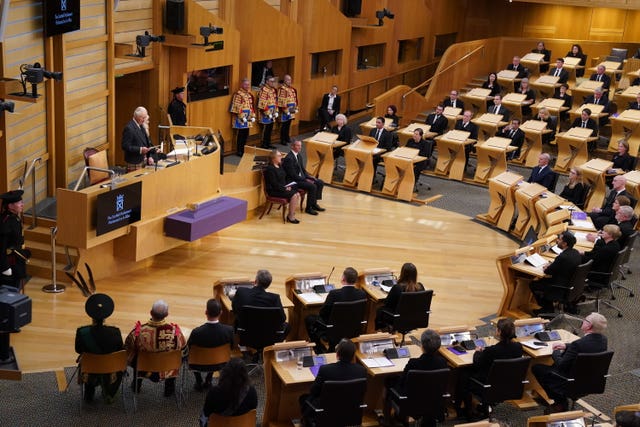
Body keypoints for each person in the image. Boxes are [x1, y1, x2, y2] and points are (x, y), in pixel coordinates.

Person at [532, 312, 608, 414]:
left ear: (589, 325)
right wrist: (566, 346)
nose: (583, 321)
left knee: (537, 368)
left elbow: (561, 365)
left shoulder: (578, 344)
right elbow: (585, 346)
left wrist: (555, 351)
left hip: (569, 381)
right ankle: (562, 398)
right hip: (589, 380)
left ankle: (560, 402)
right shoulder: (603, 340)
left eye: (585, 320)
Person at [383, 329, 447, 426]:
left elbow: (402, 382)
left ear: (422, 345)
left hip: (412, 403)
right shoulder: (443, 362)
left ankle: (389, 420)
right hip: (434, 402)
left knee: (389, 381)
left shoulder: (413, 363)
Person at [461, 318, 523, 419]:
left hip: (487, 384)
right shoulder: (518, 347)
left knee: (464, 373)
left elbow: (477, 363)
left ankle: (468, 409)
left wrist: (477, 351)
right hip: (508, 383)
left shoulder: (492, 351)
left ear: (499, 332)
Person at [124, 300, 187, 396]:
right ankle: (169, 388)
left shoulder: (137, 332)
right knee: (175, 358)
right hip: (167, 368)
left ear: (150, 312)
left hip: (145, 367)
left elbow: (127, 350)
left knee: (136, 356)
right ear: (167, 314)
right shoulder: (175, 333)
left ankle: (137, 385)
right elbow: (184, 351)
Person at [298, 339, 367, 426]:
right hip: (349, 412)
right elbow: (362, 392)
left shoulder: (325, 370)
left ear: (337, 354)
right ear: (353, 355)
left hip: (326, 412)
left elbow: (313, 391)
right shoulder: (361, 371)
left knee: (303, 398)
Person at [75, 293, 124, 402]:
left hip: (90, 370)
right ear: (106, 316)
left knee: (89, 362)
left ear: (91, 315)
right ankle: (109, 393)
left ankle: (88, 396)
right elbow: (120, 349)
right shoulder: (115, 332)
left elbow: (78, 350)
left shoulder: (82, 332)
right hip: (110, 369)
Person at [305, 267, 366, 351]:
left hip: (333, 330)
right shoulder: (362, 294)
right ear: (355, 280)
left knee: (309, 319)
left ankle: (318, 348)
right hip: (353, 329)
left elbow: (323, 313)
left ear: (343, 279)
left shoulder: (334, 294)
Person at [529, 231, 582, 314]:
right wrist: (553, 265)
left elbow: (547, 271)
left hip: (559, 286)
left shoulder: (563, 257)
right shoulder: (575, 253)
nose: (557, 240)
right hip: (569, 285)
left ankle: (547, 309)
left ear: (564, 243)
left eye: (559, 239)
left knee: (534, 284)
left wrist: (548, 266)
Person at [187, 299, 234, 391]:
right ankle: (208, 379)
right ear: (221, 313)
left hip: (197, 364)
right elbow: (231, 348)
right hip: (220, 363)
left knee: (195, 356)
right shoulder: (229, 330)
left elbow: (189, 350)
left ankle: (198, 380)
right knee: (214, 356)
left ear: (206, 312)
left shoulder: (196, 332)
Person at [231, 269, 289, 340]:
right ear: (268, 285)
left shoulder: (241, 291)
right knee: (287, 326)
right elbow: (282, 318)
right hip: (268, 336)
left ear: (255, 281)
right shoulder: (274, 298)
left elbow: (234, 309)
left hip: (245, 333)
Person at [199, 357, 258, 427]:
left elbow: (206, 413)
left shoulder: (214, 393)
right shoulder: (251, 391)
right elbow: (253, 408)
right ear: (245, 375)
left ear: (224, 373)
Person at [375, 262, 425, 331]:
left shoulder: (397, 288)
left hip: (397, 318)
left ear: (402, 274)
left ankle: (383, 330)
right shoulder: (420, 287)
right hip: (413, 318)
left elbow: (387, 303)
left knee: (379, 308)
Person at [282, 140, 325, 216]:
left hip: (301, 178)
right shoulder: (289, 158)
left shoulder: (298, 155)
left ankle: (314, 204)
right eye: (298, 146)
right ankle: (308, 208)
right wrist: (305, 180)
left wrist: (309, 177)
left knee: (319, 182)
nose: (300, 147)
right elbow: (292, 175)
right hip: (294, 181)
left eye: (300, 146)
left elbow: (302, 169)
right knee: (312, 186)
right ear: (292, 146)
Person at [0, 190, 30, 290]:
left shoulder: (14, 218)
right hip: (9, 263)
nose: (22, 204)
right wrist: (4, 267)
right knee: (9, 294)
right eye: (19, 203)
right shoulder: (6, 223)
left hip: (17, 259)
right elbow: (2, 246)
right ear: (10, 206)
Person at [263, 150, 301, 224]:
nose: (281, 157)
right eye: (279, 156)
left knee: (297, 194)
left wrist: (288, 186)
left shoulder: (280, 166)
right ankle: (290, 217)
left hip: (281, 188)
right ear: (273, 158)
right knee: (294, 195)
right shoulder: (270, 169)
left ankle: (291, 214)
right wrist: (285, 188)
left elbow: (284, 178)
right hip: (273, 191)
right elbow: (274, 184)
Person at [121, 106, 157, 171]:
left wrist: (150, 156)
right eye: (143, 118)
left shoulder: (141, 125)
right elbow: (125, 146)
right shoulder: (129, 128)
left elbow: (146, 142)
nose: (144, 120)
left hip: (142, 160)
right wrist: (140, 149)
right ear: (137, 117)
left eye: (145, 118)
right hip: (134, 162)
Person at [229, 78, 256, 156]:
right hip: (240, 118)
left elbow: (251, 107)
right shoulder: (238, 94)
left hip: (248, 117)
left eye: (248, 85)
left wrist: (253, 116)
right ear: (242, 85)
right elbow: (236, 106)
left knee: (245, 134)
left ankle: (243, 149)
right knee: (240, 135)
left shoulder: (249, 95)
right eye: (246, 84)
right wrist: (241, 117)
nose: (247, 86)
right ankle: (239, 151)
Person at [257, 76, 279, 149]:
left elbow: (275, 101)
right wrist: (268, 113)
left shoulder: (273, 90)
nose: (273, 83)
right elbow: (262, 103)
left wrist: (276, 111)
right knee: (265, 130)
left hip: (272, 113)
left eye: (273, 81)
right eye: (271, 81)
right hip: (265, 114)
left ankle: (268, 143)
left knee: (270, 129)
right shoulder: (264, 90)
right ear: (267, 81)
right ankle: (264, 144)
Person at [277, 74, 299, 145]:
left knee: (288, 124)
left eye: (290, 80)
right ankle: (282, 139)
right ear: (285, 80)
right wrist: (285, 110)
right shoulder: (282, 89)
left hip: (291, 109)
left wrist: (295, 108)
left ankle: (287, 137)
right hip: (285, 110)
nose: (290, 81)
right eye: (288, 80)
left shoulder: (292, 89)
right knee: (284, 125)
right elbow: (280, 100)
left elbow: (295, 99)